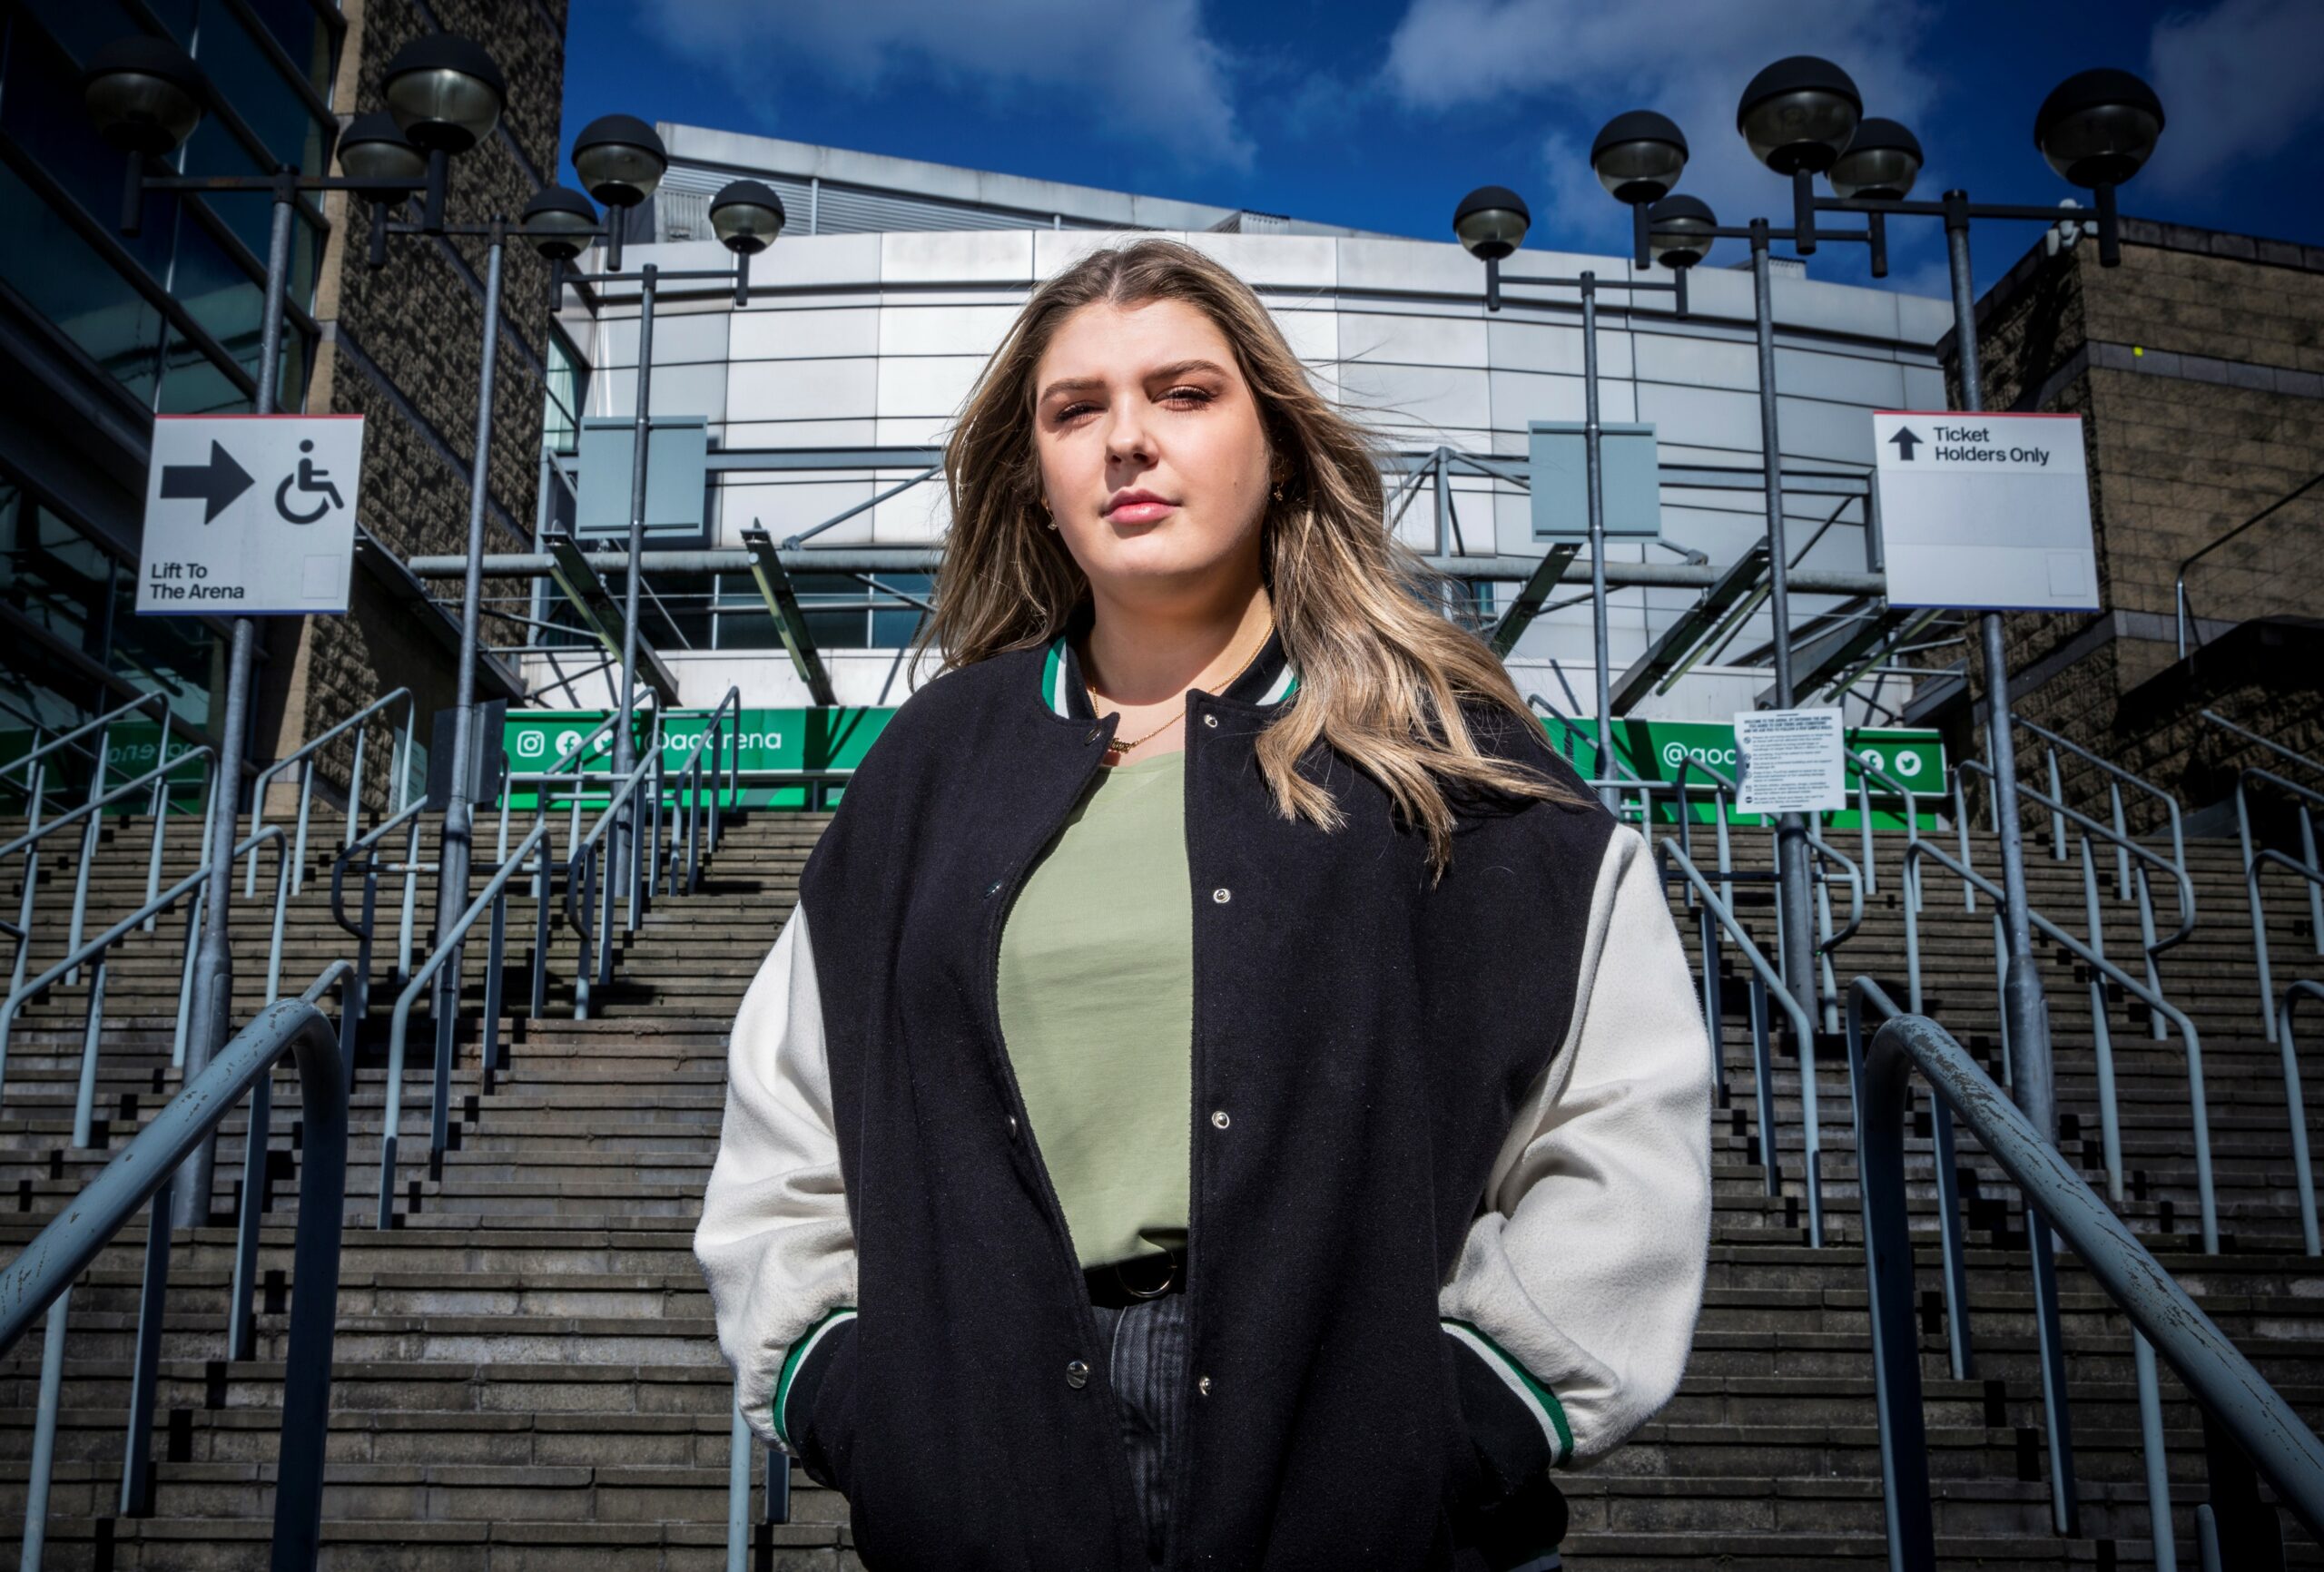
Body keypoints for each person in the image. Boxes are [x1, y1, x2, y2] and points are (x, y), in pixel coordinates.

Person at [694, 236, 1712, 1571]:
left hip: (1367, 1493)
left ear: (1276, 443)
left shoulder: (1446, 757)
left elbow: (1622, 1113)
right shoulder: (930, 767)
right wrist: (844, 1390)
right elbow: (787, 1122)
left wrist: (1471, 1410)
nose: (1128, 439)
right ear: (1036, 475)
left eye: (1183, 393)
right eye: (1076, 410)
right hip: (986, 1469)